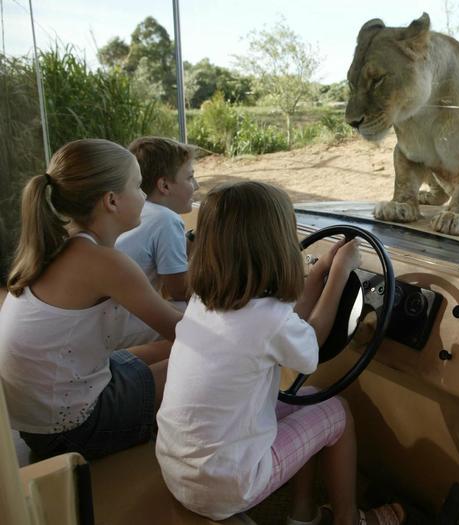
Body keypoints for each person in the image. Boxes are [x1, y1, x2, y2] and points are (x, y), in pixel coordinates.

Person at [156, 181, 404, 525]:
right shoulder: (267, 319)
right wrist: (341, 274)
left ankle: (304, 514)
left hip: (181, 469)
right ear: (276, 245)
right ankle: (350, 519)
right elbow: (310, 343)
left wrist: (319, 272)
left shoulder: (207, 300)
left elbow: (290, 325)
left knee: (311, 399)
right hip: (227, 485)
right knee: (337, 411)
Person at [0, 139, 182, 460]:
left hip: (41, 420)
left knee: (166, 350)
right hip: (73, 430)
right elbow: (188, 334)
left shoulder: (62, 245)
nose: (143, 196)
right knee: (198, 359)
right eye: (137, 186)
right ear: (111, 200)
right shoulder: (104, 262)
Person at [115, 136, 197, 346]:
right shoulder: (165, 219)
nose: (196, 186)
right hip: (115, 325)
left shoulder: (139, 213)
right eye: (190, 178)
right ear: (164, 186)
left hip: (108, 318)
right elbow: (180, 290)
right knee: (205, 316)